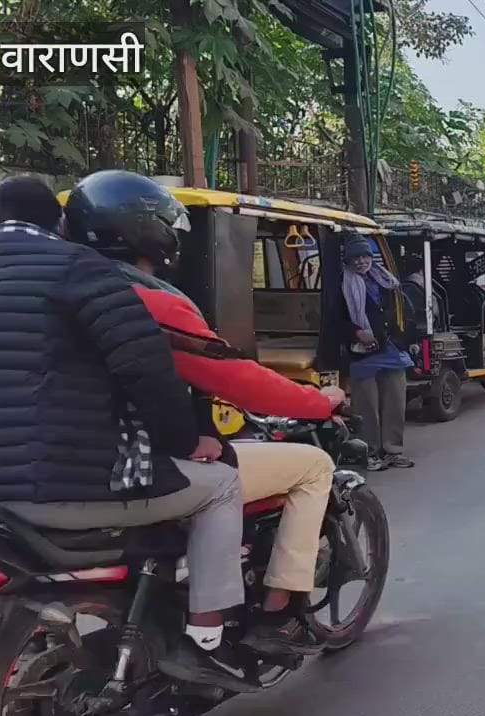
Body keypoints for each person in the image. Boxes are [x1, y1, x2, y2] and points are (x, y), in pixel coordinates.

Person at [0, 176, 253, 691]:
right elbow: (146, 371)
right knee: (221, 487)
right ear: (59, 224)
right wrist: (189, 442)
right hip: (63, 489)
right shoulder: (83, 270)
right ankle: (208, 642)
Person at [62, 170, 350, 664]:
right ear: (150, 232)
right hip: (123, 467)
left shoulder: (47, 287)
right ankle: (273, 614)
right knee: (310, 466)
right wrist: (321, 401)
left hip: (42, 468)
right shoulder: (143, 297)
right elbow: (232, 378)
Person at [341, 234, 415, 470]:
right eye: (356, 259)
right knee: (366, 407)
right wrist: (356, 333)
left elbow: (400, 312)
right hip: (362, 352)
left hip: (391, 348)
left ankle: (393, 450)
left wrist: (405, 338)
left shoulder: (385, 280)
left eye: (364, 256)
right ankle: (369, 452)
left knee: (395, 401)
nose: (362, 262)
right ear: (348, 261)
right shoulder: (342, 284)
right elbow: (335, 320)